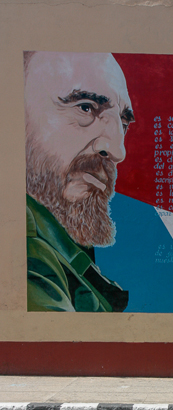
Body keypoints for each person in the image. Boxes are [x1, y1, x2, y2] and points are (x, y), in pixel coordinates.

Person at [25, 51, 135, 311]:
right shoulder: (25, 252)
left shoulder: (61, 251)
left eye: (123, 122)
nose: (118, 152)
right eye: (86, 107)